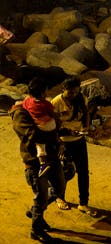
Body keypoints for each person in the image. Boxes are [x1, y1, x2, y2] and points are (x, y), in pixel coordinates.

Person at [11, 78, 67, 242]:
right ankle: (36, 229)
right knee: (41, 195)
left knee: (59, 188)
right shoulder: (20, 113)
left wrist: (57, 133)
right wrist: (53, 133)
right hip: (34, 162)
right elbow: (32, 134)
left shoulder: (39, 105)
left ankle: (36, 211)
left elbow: (53, 122)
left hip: (52, 157)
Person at [51, 77, 99, 216]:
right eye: (70, 92)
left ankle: (83, 203)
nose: (73, 95)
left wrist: (87, 127)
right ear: (63, 90)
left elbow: (86, 115)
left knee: (83, 172)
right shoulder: (56, 103)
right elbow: (53, 126)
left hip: (79, 140)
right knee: (63, 172)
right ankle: (60, 197)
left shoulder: (81, 98)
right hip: (63, 142)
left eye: (76, 92)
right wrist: (60, 140)